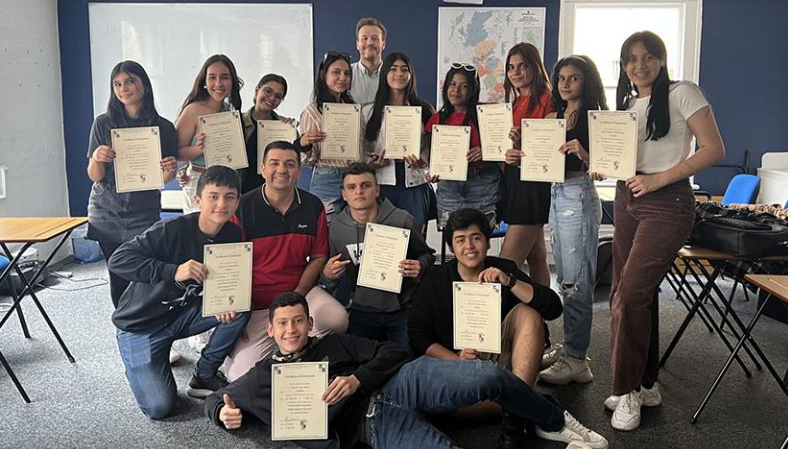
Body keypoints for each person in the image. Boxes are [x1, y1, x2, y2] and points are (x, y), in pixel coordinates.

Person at [206, 291, 607, 449]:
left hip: (401, 383)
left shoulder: (331, 343)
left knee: (490, 376)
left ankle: (551, 419)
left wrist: (357, 378)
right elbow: (214, 400)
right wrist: (222, 412)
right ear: (271, 330)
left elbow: (393, 352)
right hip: (374, 426)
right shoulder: (261, 377)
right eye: (283, 324)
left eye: (298, 321)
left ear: (310, 323)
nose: (291, 330)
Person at [606, 31, 724, 431]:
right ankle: (645, 383)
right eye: (631, 59)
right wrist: (600, 162)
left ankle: (626, 390)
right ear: (623, 65)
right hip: (627, 195)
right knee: (631, 293)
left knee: (630, 294)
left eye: (648, 57)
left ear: (661, 59)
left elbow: (714, 149)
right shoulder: (628, 103)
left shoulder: (681, 92)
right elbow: (625, 157)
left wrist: (659, 179)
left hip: (667, 200)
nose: (639, 65)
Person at [407, 208, 565, 446]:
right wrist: (456, 360)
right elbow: (418, 337)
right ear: (452, 247)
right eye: (460, 240)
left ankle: (515, 415)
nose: (469, 246)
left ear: (488, 243)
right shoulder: (435, 281)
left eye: (476, 238)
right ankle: (525, 403)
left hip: (500, 361)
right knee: (443, 408)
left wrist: (510, 282)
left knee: (528, 314)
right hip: (457, 365)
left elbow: (553, 308)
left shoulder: (503, 269)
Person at [108, 165, 249, 419]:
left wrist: (223, 302)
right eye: (213, 196)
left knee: (238, 308)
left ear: (237, 202)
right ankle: (140, 365)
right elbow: (119, 260)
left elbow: (225, 280)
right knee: (159, 407)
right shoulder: (171, 230)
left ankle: (203, 374)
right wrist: (173, 271)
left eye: (229, 197)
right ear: (198, 200)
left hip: (180, 316)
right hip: (141, 324)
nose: (221, 204)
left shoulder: (233, 233)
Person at [226, 141, 349, 380]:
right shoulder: (242, 207)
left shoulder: (313, 206)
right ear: (262, 169)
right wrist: (240, 311)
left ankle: (294, 348)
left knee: (337, 319)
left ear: (299, 172)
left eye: (290, 164)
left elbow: (318, 257)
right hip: (257, 304)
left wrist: (298, 295)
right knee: (240, 376)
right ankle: (275, 344)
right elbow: (231, 263)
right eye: (274, 163)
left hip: (298, 292)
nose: (282, 170)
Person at [533, 55, 608, 385]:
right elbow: (541, 160)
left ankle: (577, 360)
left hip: (579, 193)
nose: (565, 84)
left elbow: (608, 167)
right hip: (556, 192)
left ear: (586, 81)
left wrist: (584, 153)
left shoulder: (596, 119)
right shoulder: (553, 116)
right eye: (561, 77)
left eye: (573, 78)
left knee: (577, 283)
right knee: (564, 279)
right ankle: (572, 348)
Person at [87, 60, 178, 307]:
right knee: (117, 274)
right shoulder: (103, 123)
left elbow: (164, 179)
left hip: (143, 211)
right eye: (117, 84)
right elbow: (95, 176)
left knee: (145, 273)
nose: (123, 88)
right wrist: (96, 157)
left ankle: (145, 319)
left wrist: (169, 171)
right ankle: (124, 322)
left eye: (129, 81)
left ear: (144, 85)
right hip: (107, 211)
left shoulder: (163, 127)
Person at [321, 163, 435, 346]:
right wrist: (328, 275)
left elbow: (427, 255)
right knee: (361, 360)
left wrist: (420, 266)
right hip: (362, 310)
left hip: (402, 309)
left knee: (407, 358)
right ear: (343, 194)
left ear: (377, 190)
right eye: (351, 187)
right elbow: (329, 278)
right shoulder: (336, 228)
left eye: (366, 185)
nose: (359, 192)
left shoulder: (402, 219)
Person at [499, 42, 555, 289]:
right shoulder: (511, 104)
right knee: (536, 256)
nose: (516, 72)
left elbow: (550, 147)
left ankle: (513, 310)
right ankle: (541, 309)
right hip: (513, 180)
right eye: (511, 67)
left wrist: (522, 145)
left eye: (522, 66)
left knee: (506, 264)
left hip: (532, 183)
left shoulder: (548, 101)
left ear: (535, 66)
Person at [361, 52, 435, 229]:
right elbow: (361, 150)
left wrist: (423, 161)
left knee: (415, 238)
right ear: (384, 73)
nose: (399, 74)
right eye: (393, 69)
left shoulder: (424, 110)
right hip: (382, 184)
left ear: (411, 74)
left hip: (415, 184)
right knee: (383, 239)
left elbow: (432, 148)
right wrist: (371, 164)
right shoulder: (368, 112)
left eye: (404, 69)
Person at [425, 63, 502, 227]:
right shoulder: (437, 119)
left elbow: (505, 147)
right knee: (453, 236)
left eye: (464, 86)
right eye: (452, 84)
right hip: (449, 188)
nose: (456, 90)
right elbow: (429, 156)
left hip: (483, 184)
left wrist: (486, 151)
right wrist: (431, 171)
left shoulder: (487, 115)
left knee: (479, 236)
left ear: (473, 90)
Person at [174, 54, 243, 213]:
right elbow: (176, 152)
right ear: (204, 81)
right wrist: (197, 150)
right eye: (212, 77)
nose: (218, 83)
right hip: (199, 182)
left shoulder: (230, 111)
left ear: (232, 81)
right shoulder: (193, 110)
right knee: (198, 228)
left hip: (227, 182)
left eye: (224, 77)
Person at [299, 51, 360, 218]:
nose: (342, 77)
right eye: (336, 72)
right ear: (324, 75)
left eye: (347, 73)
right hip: (326, 178)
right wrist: (305, 144)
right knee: (327, 226)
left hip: (354, 176)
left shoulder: (353, 110)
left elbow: (360, 147)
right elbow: (307, 160)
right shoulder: (312, 112)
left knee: (353, 228)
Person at [237, 73, 297, 194]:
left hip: (276, 193)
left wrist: (293, 133)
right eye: (268, 91)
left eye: (278, 96)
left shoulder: (285, 127)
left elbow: (296, 157)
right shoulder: (237, 122)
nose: (272, 98)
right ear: (257, 90)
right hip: (242, 192)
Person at [349, 17, 387, 105]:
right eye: (364, 38)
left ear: (383, 44)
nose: (369, 43)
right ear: (357, 44)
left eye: (374, 38)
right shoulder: (346, 74)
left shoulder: (393, 76)